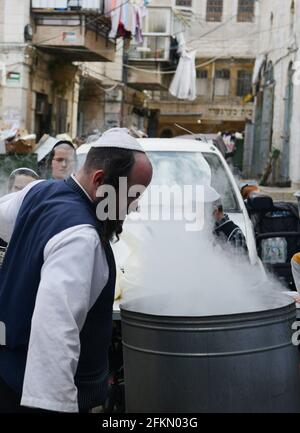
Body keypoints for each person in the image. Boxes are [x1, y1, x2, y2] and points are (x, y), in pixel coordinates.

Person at [0, 128, 153, 413]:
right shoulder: (81, 237)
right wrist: (54, 406)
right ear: (99, 181)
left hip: (9, 377)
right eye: (132, 196)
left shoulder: (38, 191)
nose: (133, 207)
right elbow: (55, 334)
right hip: (45, 397)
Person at [0, 168, 40, 259]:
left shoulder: (40, 227)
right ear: (9, 189)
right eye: (18, 188)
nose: (23, 194)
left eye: (29, 190)